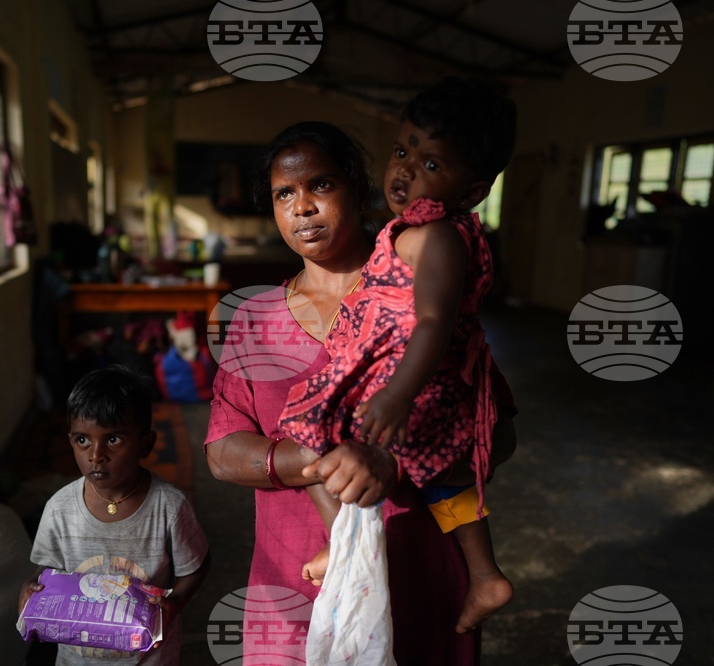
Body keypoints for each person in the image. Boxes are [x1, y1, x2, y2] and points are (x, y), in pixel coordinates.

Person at [205, 119, 516, 664]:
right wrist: (315, 460)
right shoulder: (253, 320)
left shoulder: (417, 288)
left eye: (321, 185)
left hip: (419, 579)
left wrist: (390, 463)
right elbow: (223, 451)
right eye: (284, 194)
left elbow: (499, 432)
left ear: (355, 187)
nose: (302, 207)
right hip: (292, 589)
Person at [279, 76, 518, 634]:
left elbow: (434, 321)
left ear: (473, 190)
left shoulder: (437, 237)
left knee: (305, 427)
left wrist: (397, 395)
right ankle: (485, 575)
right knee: (442, 476)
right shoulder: (413, 229)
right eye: (403, 150)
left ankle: (344, 546)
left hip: (414, 382)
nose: (406, 171)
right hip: (411, 381)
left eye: (432, 164)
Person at [19, 365, 211, 665]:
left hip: (148, 656)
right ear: (70, 441)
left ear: (145, 444)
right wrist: (31, 585)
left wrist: (173, 604)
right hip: (77, 658)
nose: (96, 455)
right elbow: (46, 567)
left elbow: (196, 566)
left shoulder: (169, 507)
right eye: (82, 440)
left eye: (113, 439)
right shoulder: (59, 507)